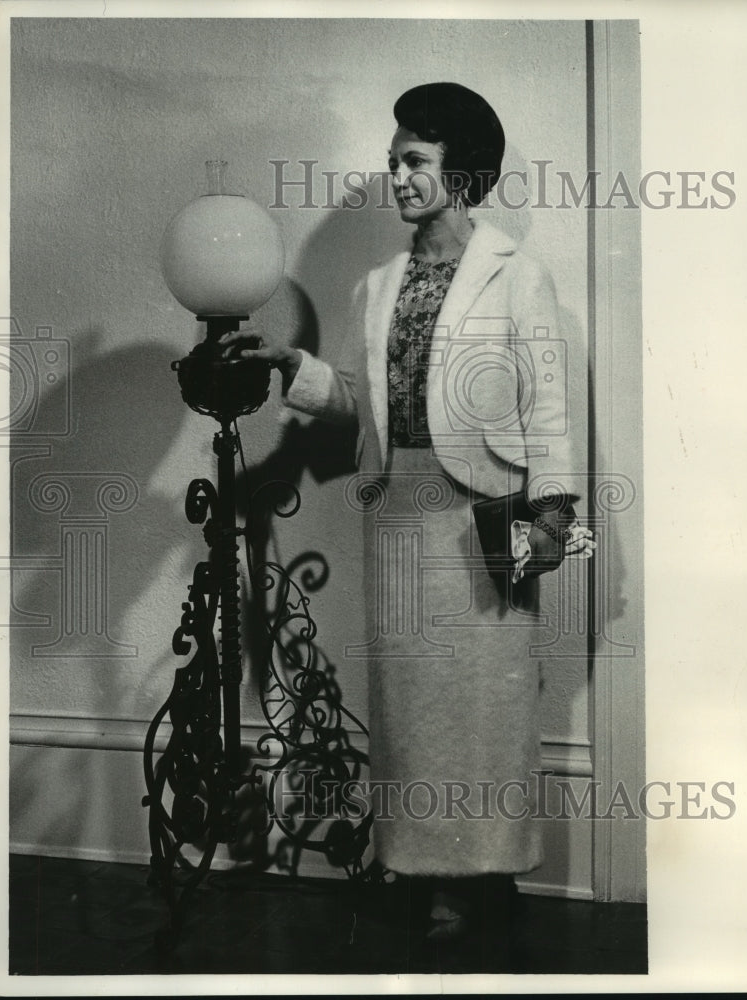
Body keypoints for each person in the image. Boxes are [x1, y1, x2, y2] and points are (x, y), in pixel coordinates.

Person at [221, 82, 594, 940]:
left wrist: (552, 513)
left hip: (484, 518)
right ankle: (416, 869)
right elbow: (364, 398)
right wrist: (294, 368)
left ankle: (480, 877)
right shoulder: (377, 284)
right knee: (408, 709)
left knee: (486, 709)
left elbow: (546, 406)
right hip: (398, 514)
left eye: (415, 161)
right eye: (393, 161)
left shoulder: (517, 275)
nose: (398, 176)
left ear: (459, 174)